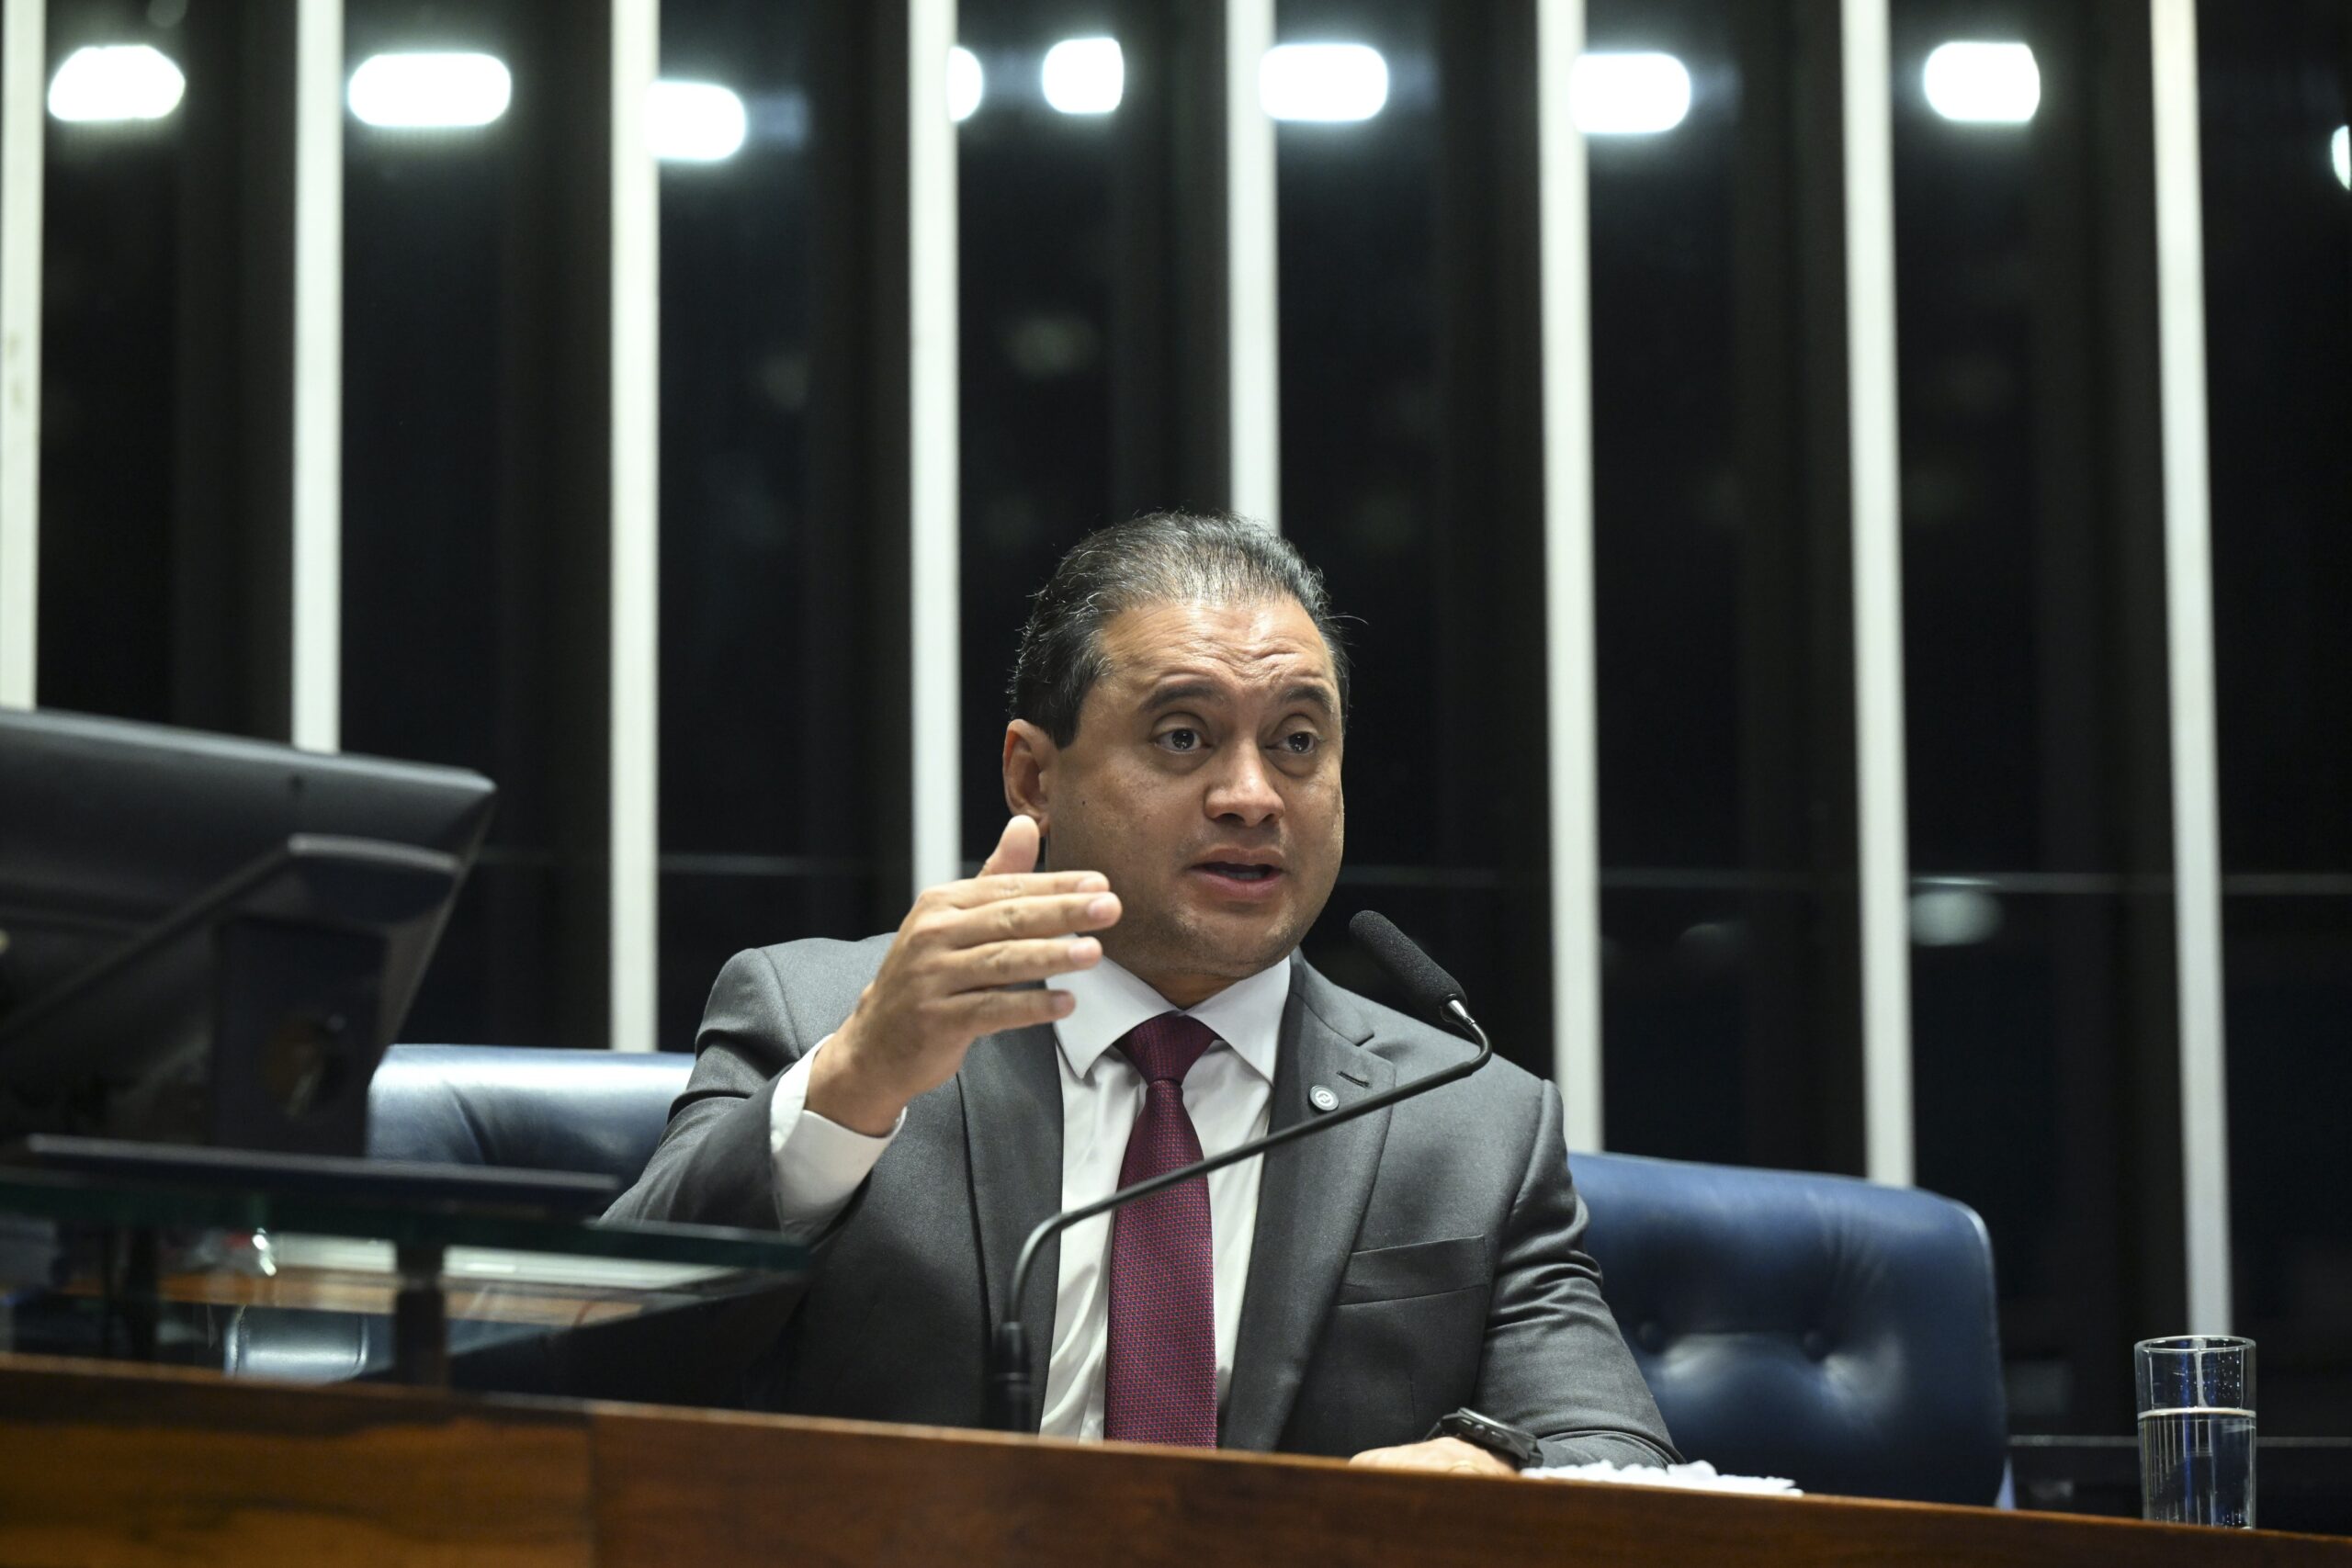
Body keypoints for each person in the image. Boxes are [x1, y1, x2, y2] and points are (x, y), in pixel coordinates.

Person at [608, 511, 1676, 1475]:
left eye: (1297, 743)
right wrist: (852, 1082)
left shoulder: (1467, 1118)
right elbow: (609, 1352)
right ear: (1033, 777)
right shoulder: (819, 1016)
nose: (1252, 796)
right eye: (1182, 737)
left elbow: (1614, 1452)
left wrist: (1490, 1469)